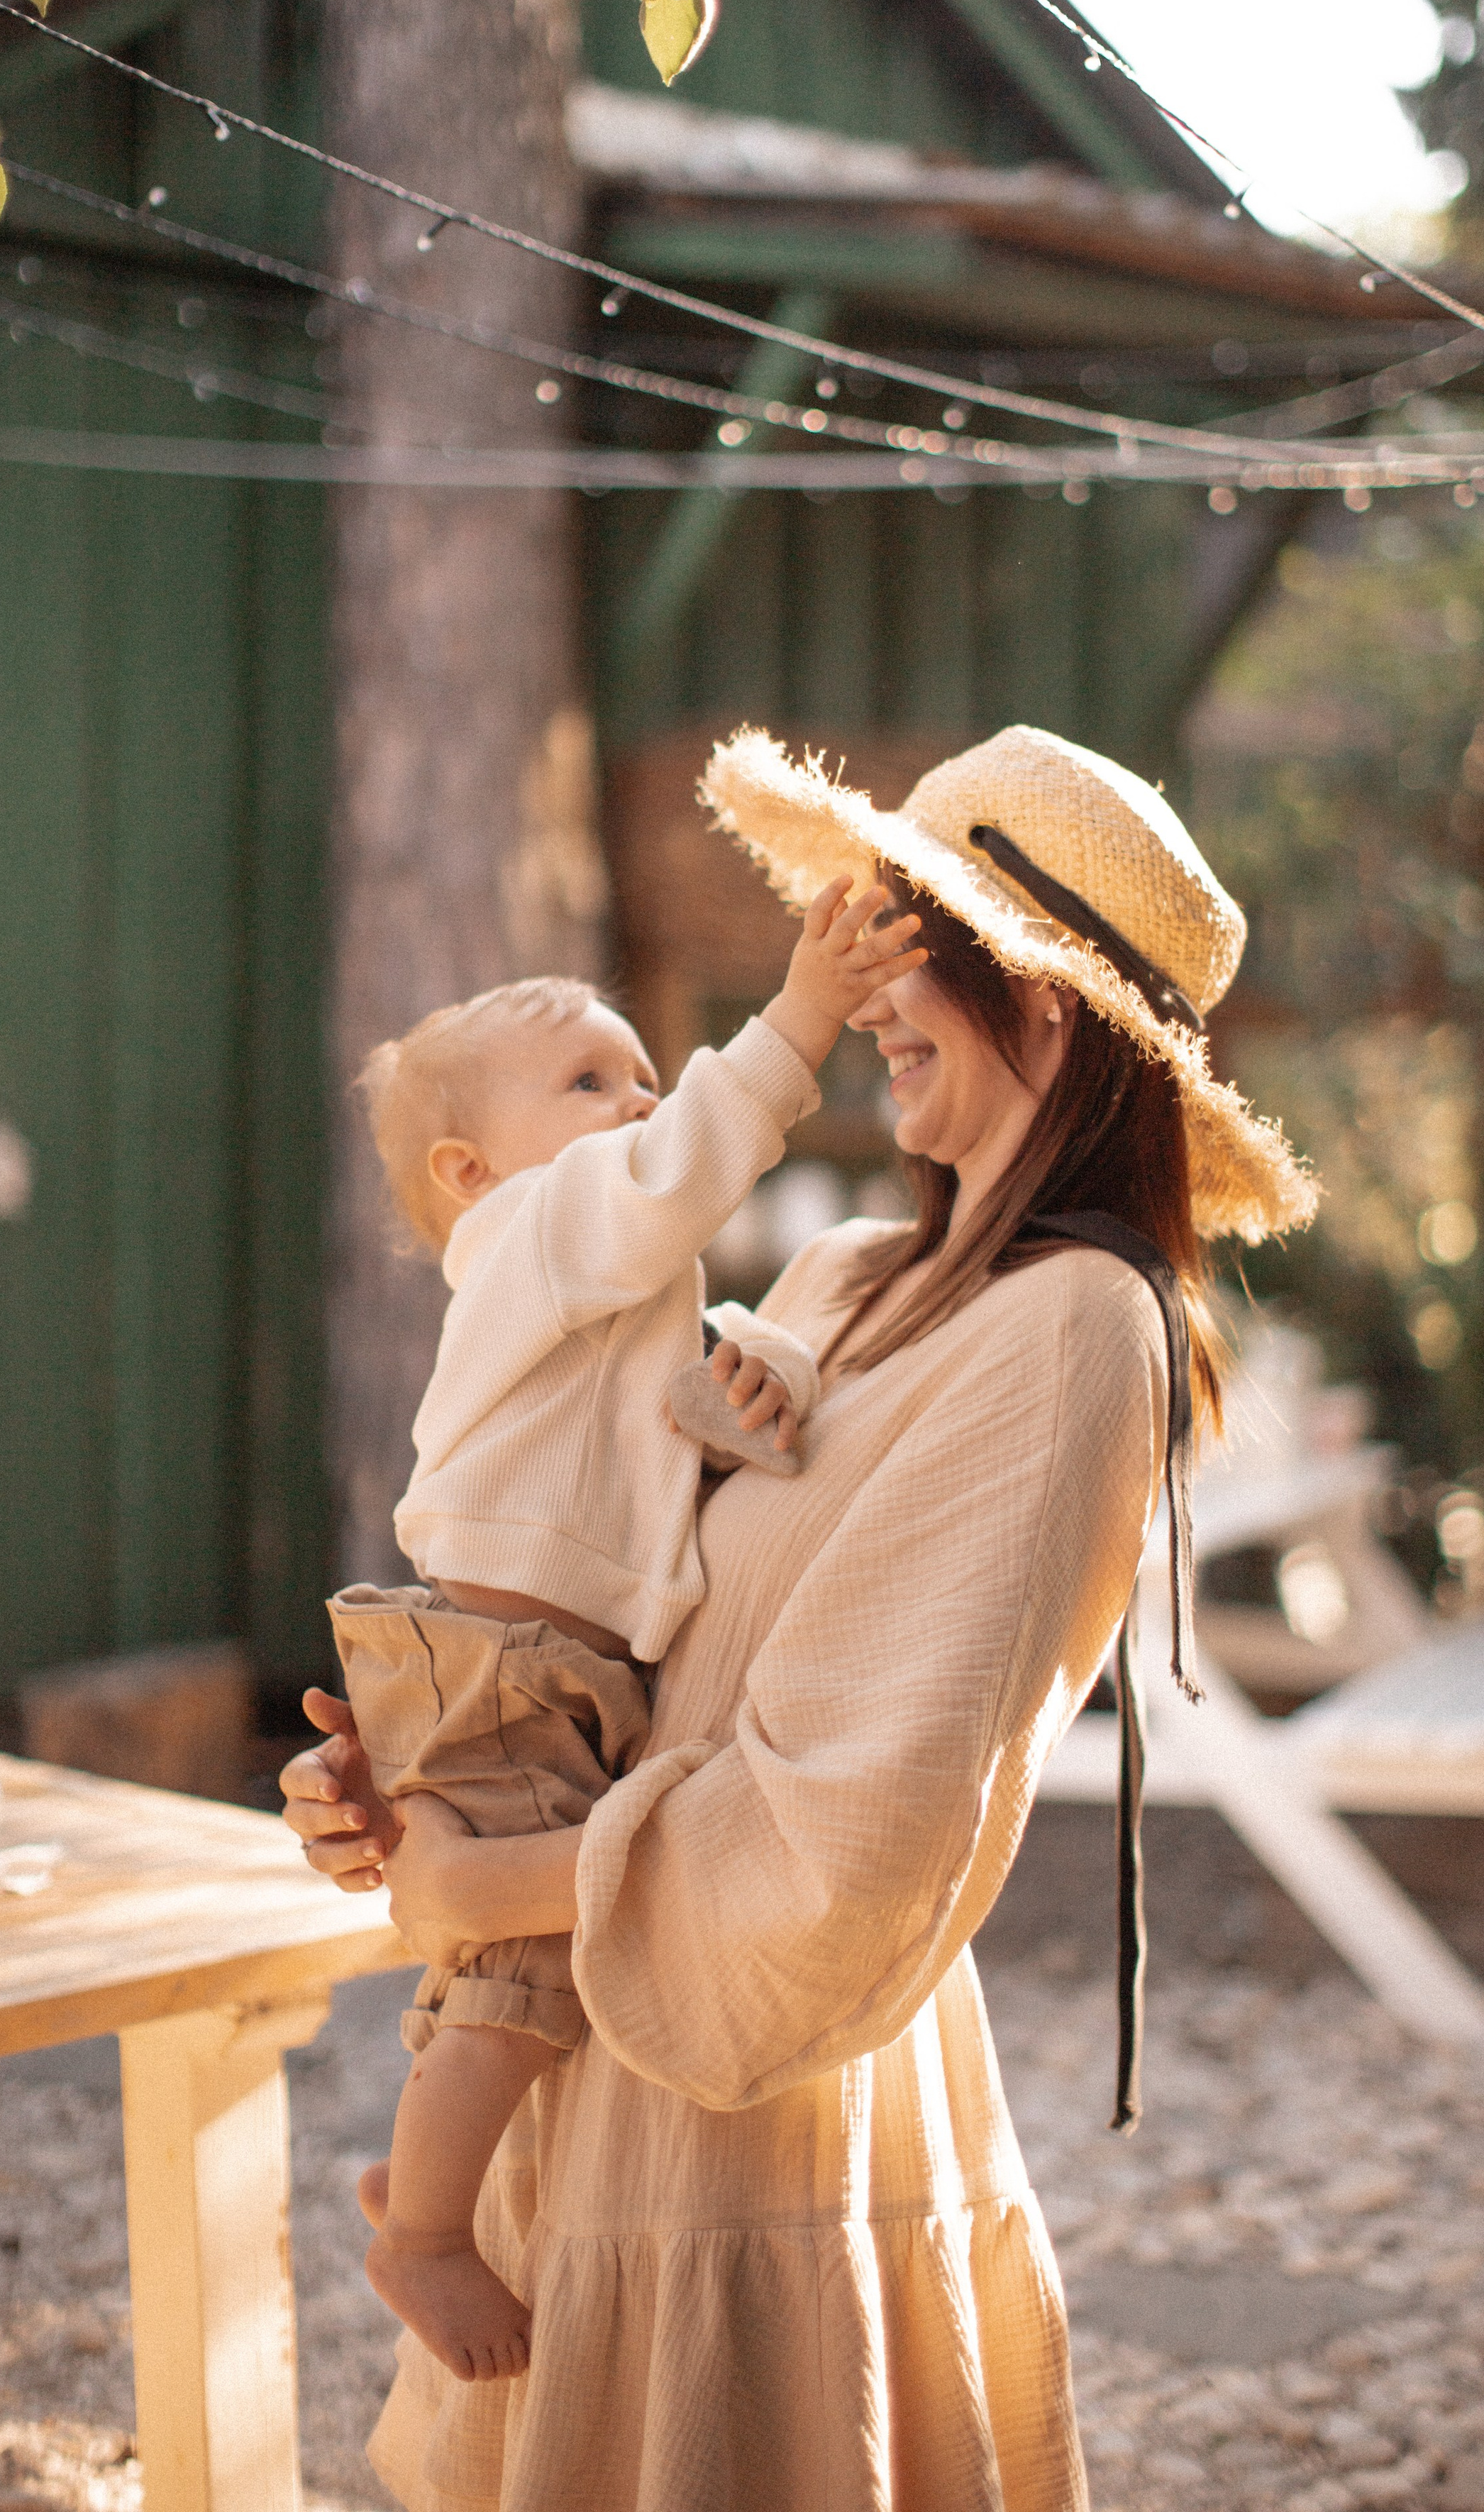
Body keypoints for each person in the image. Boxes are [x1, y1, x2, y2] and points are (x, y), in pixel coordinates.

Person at [284, 725, 1316, 2512]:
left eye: (907, 954)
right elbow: (633, 1627)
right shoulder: (841, 1279)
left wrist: (487, 1885)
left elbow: (852, 1832)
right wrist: (425, 1794)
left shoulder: (1077, 1332)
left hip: (760, 2114)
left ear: (1047, 1011)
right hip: (586, 2037)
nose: (869, 1003)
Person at [329, 880, 928, 2382]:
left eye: (642, 1070)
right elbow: (668, 1179)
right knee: (523, 1970)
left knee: (503, 1967)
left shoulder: (605, 1302)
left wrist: (757, 1384)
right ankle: (424, 2239)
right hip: (502, 1659)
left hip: (530, 1663)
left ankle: (422, 2177)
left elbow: (693, 1422)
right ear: (473, 1173)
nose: (642, 1098)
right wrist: (794, 1021)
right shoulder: (532, 1230)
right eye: (590, 1081)